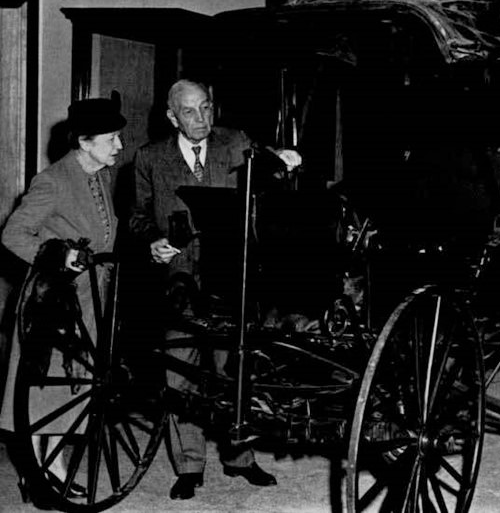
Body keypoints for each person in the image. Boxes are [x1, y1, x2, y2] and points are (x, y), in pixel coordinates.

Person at [129, 79, 301, 500]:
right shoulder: (150, 158)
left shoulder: (236, 142)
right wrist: (151, 240)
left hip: (232, 278)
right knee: (180, 370)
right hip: (178, 282)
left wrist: (283, 159)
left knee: (236, 369)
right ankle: (189, 466)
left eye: (206, 107)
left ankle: (240, 457)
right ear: (172, 117)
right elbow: (136, 216)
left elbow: (269, 169)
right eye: (190, 112)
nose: (202, 119)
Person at [0, 97, 126, 501]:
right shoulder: (53, 180)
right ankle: (39, 474)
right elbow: (13, 235)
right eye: (111, 139)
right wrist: (60, 254)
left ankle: (48, 467)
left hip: (90, 302)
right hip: (53, 305)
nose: (119, 146)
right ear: (85, 142)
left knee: (71, 389)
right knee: (42, 389)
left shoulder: (98, 177)